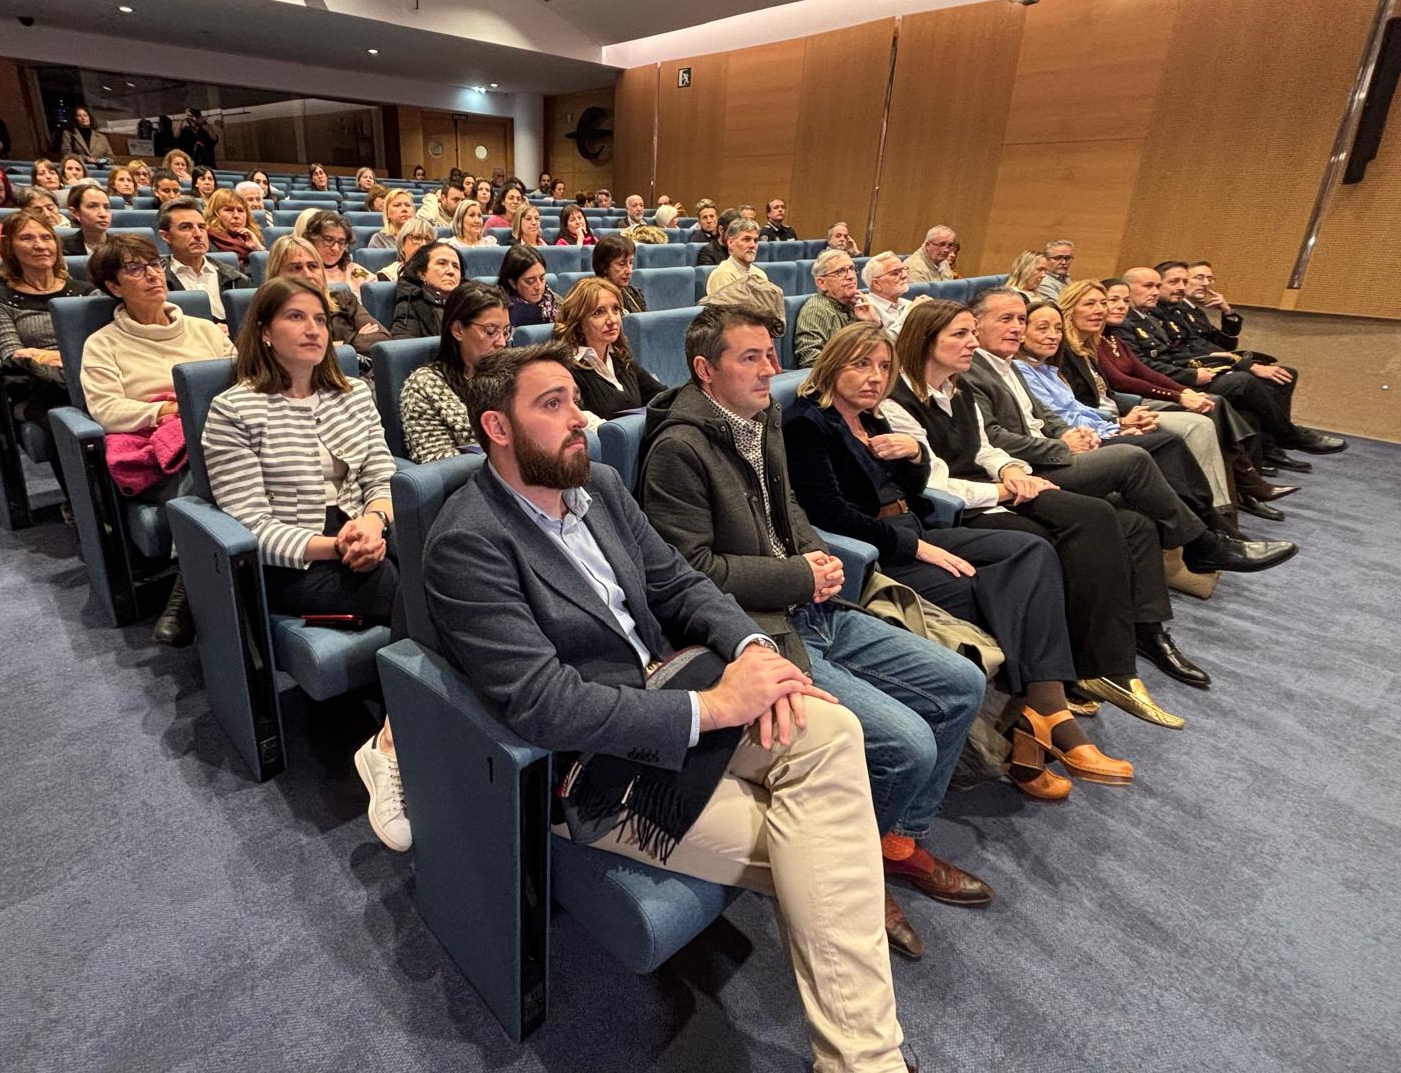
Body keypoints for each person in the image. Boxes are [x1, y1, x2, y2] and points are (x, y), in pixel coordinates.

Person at [427, 341, 911, 1072]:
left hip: (677, 687)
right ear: (499, 428)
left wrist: (753, 648)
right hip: (598, 769)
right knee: (828, 839)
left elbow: (682, 585)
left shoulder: (601, 488)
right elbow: (544, 705)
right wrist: (716, 710)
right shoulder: (468, 541)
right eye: (550, 405)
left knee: (832, 730)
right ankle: (866, 1061)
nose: (577, 418)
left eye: (574, 400)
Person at [640, 305, 993, 961]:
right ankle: (858, 875)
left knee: (962, 684)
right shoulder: (679, 447)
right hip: (756, 630)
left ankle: (895, 842)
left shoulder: (763, 415)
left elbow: (790, 511)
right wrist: (798, 576)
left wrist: (819, 559)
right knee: (907, 745)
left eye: (772, 355)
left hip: (814, 607)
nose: (772, 369)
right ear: (704, 370)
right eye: (752, 357)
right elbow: (686, 574)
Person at [783, 322, 1132, 800]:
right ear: (833, 365)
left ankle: (1043, 711)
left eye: (883, 367)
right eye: (861, 364)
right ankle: (1038, 729)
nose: (874, 377)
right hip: (880, 550)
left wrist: (913, 457)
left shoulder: (874, 416)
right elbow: (828, 512)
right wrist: (915, 548)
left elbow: (908, 490)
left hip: (916, 525)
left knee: (1031, 551)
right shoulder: (808, 422)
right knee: (987, 592)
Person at [878, 299, 1198, 728]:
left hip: (996, 489)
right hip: (962, 506)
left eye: (973, 332)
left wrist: (1011, 469)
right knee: (1065, 530)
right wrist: (1002, 487)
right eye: (960, 334)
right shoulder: (896, 401)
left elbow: (985, 449)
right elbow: (934, 482)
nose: (973, 343)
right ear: (925, 340)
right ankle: (1091, 669)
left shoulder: (960, 388)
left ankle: (1104, 664)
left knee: (1117, 519)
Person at [201, 273, 403, 844]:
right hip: (293, 561)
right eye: (296, 317)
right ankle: (397, 748)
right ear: (263, 332)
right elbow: (248, 524)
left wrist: (374, 521)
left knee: (449, 566)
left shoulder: (352, 393)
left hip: (364, 530)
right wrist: (337, 546)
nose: (313, 328)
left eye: (319, 318)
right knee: (418, 594)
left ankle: (402, 734)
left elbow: (380, 471)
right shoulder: (234, 410)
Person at [963, 288, 1295, 599]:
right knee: (1135, 457)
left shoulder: (1009, 365)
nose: (1017, 328)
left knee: (1157, 464)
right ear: (975, 325)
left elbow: (1046, 415)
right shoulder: (974, 368)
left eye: (1021, 319)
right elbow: (992, 435)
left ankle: (1209, 537)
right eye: (1007, 320)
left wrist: (1067, 432)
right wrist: (1070, 443)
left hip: (1062, 444)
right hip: (1027, 467)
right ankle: (1205, 541)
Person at [80, 233, 234, 643]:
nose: (152, 275)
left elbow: (242, 382)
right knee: (200, 470)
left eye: (155, 264)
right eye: (135, 269)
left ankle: (194, 592)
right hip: (158, 449)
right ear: (114, 286)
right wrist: (167, 410)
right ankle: (187, 595)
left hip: (218, 433)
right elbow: (106, 409)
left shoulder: (205, 331)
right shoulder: (103, 345)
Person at [1056, 282, 1294, 523]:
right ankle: (1224, 508)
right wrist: (1129, 417)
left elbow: (1145, 371)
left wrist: (1184, 392)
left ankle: (1230, 504)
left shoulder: (1098, 340)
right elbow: (1116, 384)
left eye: (1105, 303)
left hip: (1120, 407)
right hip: (1116, 410)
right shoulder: (1068, 347)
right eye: (1092, 304)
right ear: (1068, 309)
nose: (1103, 309)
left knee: (1213, 411)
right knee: (1208, 413)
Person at [1019, 294, 1245, 528]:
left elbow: (1082, 406)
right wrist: (1119, 426)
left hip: (1108, 419)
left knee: (1195, 420)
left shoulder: (1050, 366)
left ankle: (1217, 515)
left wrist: (1121, 424)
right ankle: (1211, 525)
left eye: (1057, 329)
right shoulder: (1028, 368)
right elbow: (1063, 417)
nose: (1053, 335)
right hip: (1076, 442)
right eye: (1043, 329)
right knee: (1168, 442)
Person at [1116, 267, 1343, 466]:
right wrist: (1198, 374)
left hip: (1186, 372)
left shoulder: (1159, 317)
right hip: (1170, 381)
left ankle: (1265, 455)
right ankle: (1288, 436)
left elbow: (1212, 345)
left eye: (1158, 286)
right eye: (1151, 286)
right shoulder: (1134, 320)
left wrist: (1228, 317)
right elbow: (1147, 365)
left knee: (1260, 391)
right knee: (1242, 382)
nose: (1156, 291)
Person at [0, 208, 97, 489]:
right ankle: (84, 506)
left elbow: (104, 343)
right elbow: (13, 353)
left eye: (46, 237)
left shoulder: (85, 292)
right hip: (37, 388)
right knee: (64, 422)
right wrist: (63, 359)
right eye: (27, 238)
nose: (40, 245)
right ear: (10, 248)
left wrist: (54, 356)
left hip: (89, 375)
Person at [399, 282, 509, 461]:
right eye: (491, 331)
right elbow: (437, 461)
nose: (502, 342)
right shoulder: (425, 386)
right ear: (458, 330)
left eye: (506, 331)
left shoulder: (513, 374)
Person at [555, 276, 666, 422]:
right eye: (599, 312)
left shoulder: (621, 358)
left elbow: (662, 396)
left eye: (615, 309)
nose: (612, 319)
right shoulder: (567, 369)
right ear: (579, 322)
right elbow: (581, 423)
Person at [159, 196, 248, 324]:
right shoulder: (157, 281)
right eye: (186, 227)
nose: (198, 234)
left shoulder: (236, 278)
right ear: (166, 236)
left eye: (201, 227)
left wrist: (234, 330)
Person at [794, 248, 878, 367]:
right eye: (840, 271)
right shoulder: (817, 309)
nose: (850, 276)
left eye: (852, 269)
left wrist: (873, 324)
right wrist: (854, 367)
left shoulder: (857, 306)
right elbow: (810, 358)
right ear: (822, 283)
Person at [390, 240, 462, 339]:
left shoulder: (471, 301)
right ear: (422, 273)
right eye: (442, 263)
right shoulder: (410, 303)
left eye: (455, 266)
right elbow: (404, 348)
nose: (451, 271)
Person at [862, 252, 924, 340]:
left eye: (904, 270)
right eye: (895, 273)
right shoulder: (866, 308)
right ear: (876, 284)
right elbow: (884, 345)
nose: (904, 275)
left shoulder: (908, 304)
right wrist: (909, 314)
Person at [497, 243, 561, 327]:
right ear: (512, 283)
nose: (539, 287)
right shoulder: (501, 312)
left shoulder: (554, 300)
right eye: (530, 281)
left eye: (542, 278)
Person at [704, 217, 766, 296]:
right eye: (746, 239)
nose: (753, 245)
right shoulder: (722, 275)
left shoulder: (760, 274)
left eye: (755, 240)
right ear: (731, 243)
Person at [203, 187, 265, 263]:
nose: (236, 215)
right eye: (228, 210)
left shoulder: (253, 237)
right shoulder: (206, 241)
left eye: (240, 210)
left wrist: (259, 248)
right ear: (214, 214)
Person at [583, 233, 642, 314]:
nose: (629, 271)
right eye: (621, 264)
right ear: (604, 267)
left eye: (631, 263)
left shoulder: (634, 293)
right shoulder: (592, 298)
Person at [375, 216, 436, 282]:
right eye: (416, 238)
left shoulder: (441, 272)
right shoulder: (388, 276)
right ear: (402, 244)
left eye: (428, 239)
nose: (423, 244)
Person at [61, 183, 112, 256]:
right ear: (75, 213)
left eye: (106, 207)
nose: (103, 214)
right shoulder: (61, 248)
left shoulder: (122, 248)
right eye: (92, 206)